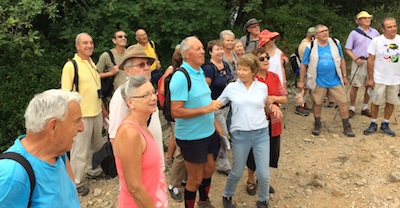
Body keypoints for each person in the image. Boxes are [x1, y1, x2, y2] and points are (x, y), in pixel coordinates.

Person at [219, 53, 282, 208]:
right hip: (240, 135)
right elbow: (218, 103)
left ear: (253, 71)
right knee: (237, 171)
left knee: (263, 173)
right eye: (239, 69)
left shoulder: (262, 86)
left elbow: (265, 106)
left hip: (261, 133)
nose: (240, 72)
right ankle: (227, 196)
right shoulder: (232, 87)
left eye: (244, 69)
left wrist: (272, 106)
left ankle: (263, 200)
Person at [0, 89, 83, 207]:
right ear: (53, 126)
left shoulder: (59, 153)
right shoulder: (12, 175)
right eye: (76, 121)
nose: (82, 128)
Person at [169, 36, 223, 208]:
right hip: (192, 137)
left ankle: (204, 201)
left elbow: (204, 102)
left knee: (209, 169)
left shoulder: (200, 71)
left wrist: (215, 124)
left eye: (202, 48)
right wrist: (205, 110)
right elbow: (176, 111)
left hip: (208, 132)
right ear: (186, 54)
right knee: (195, 178)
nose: (202, 51)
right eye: (198, 49)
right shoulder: (181, 77)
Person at [61, 32, 107, 196]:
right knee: (79, 150)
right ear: (77, 46)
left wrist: (102, 107)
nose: (89, 46)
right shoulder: (71, 66)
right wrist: (72, 118)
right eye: (85, 43)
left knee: (96, 145)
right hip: (81, 116)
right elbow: (66, 94)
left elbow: (95, 90)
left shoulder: (91, 63)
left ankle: (92, 171)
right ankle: (77, 182)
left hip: (95, 111)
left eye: (91, 43)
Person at [113, 75, 168, 207]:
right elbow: (134, 187)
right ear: (130, 102)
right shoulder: (130, 133)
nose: (154, 98)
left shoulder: (142, 125)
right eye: (145, 95)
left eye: (153, 92)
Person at [108, 44, 165, 171]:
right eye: (141, 65)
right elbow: (115, 139)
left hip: (154, 165)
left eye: (147, 64)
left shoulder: (148, 89)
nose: (146, 68)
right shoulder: (121, 97)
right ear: (127, 70)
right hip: (141, 170)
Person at [298, 25, 355, 137]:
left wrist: (344, 76)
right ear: (316, 35)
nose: (325, 33)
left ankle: (346, 126)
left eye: (326, 31)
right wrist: (301, 81)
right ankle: (317, 123)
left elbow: (342, 59)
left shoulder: (335, 43)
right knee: (318, 103)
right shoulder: (311, 46)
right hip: (318, 80)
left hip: (335, 79)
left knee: (343, 103)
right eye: (321, 32)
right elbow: (304, 64)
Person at [245, 47, 287, 196]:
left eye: (267, 57)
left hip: (274, 122)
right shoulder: (251, 79)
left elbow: (284, 97)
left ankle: (263, 180)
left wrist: (274, 99)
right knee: (253, 152)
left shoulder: (274, 77)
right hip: (257, 122)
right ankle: (250, 180)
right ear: (255, 61)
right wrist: (269, 104)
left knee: (270, 152)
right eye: (262, 58)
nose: (266, 60)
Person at [202, 40, 235, 176]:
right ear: (210, 52)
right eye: (217, 49)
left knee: (218, 135)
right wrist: (209, 105)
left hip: (226, 106)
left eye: (221, 49)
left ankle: (212, 158)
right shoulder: (209, 68)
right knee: (223, 134)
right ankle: (223, 164)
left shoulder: (225, 65)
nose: (220, 52)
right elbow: (205, 89)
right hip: (215, 107)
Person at [363, 17, 400, 137]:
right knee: (376, 101)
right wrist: (370, 77)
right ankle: (373, 123)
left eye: (394, 26)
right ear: (383, 29)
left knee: (391, 101)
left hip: (395, 78)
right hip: (379, 77)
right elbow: (370, 60)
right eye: (389, 27)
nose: (393, 28)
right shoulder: (376, 41)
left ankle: (386, 123)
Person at [345, 11, 380, 118]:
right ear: (359, 21)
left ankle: (365, 107)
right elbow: (348, 49)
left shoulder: (375, 32)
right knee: (355, 85)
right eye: (364, 18)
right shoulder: (354, 33)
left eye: (368, 18)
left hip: (372, 61)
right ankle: (352, 107)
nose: (367, 20)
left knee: (369, 85)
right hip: (359, 61)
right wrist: (355, 59)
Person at [97, 30, 128, 98]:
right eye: (120, 37)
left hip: (131, 93)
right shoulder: (107, 55)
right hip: (115, 96)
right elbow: (95, 75)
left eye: (125, 37)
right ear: (114, 40)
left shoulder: (130, 54)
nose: (123, 38)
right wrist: (111, 73)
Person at [295, 27, 316, 116]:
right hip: (305, 69)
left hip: (307, 68)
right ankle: (300, 105)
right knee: (303, 88)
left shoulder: (308, 43)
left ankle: (303, 104)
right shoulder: (305, 45)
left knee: (306, 88)